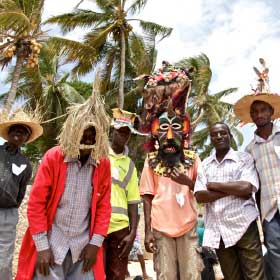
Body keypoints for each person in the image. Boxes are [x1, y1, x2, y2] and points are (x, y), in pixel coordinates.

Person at [16, 88, 112, 280]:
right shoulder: (54, 157)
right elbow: (36, 205)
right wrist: (42, 247)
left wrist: (95, 244)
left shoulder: (103, 164)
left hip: (83, 247)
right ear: (74, 131)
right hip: (52, 245)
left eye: (92, 133)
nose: (88, 138)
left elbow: (104, 207)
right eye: (84, 132)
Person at [139, 62, 203, 280]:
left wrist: (189, 182)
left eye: (176, 127)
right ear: (154, 132)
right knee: (165, 275)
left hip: (188, 228)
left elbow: (203, 191)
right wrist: (147, 231)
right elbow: (147, 198)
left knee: (191, 275)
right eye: (163, 128)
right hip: (160, 230)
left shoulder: (194, 160)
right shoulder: (150, 162)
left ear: (185, 131)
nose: (168, 137)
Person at [194, 122, 264, 280]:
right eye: (214, 134)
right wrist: (233, 189)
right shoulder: (205, 165)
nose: (219, 136)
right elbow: (200, 196)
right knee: (232, 277)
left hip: (244, 225)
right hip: (219, 231)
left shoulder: (243, 158)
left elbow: (246, 187)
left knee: (255, 277)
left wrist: (214, 186)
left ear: (230, 136)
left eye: (223, 133)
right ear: (210, 139)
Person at [234, 60, 280, 279]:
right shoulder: (250, 150)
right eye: (256, 111)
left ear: (271, 112)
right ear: (251, 117)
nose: (260, 114)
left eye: (263, 110)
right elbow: (255, 185)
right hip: (270, 211)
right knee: (275, 253)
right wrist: (261, 216)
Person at [0, 108, 43, 280]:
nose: (18, 134)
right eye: (15, 130)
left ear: (26, 139)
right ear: (8, 133)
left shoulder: (26, 164)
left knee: (4, 258)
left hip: (7, 214)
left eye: (23, 132)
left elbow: (21, 192)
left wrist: (10, 208)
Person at [104, 108, 142, 280]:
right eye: (120, 131)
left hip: (120, 229)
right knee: (94, 273)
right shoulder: (100, 155)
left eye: (127, 133)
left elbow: (133, 201)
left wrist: (132, 232)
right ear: (113, 131)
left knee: (117, 275)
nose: (123, 136)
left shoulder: (130, 166)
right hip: (98, 224)